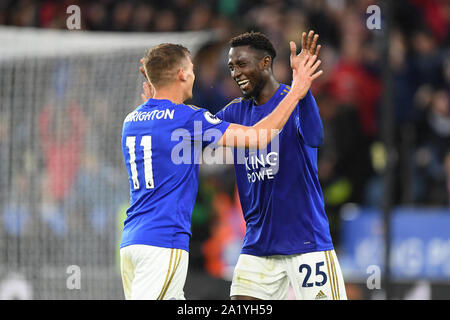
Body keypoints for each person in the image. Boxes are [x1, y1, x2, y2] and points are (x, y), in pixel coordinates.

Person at [121, 41, 322, 299]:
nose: (194, 75)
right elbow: (259, 137)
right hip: (163, 242)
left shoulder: (132, 120)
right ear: (182, 73)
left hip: (131, 242)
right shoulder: (186, 118)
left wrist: (156, 88)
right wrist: (297, 91)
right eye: (191, 69)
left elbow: (162, 133)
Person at [217, 31, 347, 300]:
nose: (235, 72)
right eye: (231, 67)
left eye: (242, 64)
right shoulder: (233, 112)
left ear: (265, 62)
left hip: (306, 241)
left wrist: (303, 90)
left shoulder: (294, 99)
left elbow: (315, 137)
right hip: (257, 245)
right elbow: (196, 138)